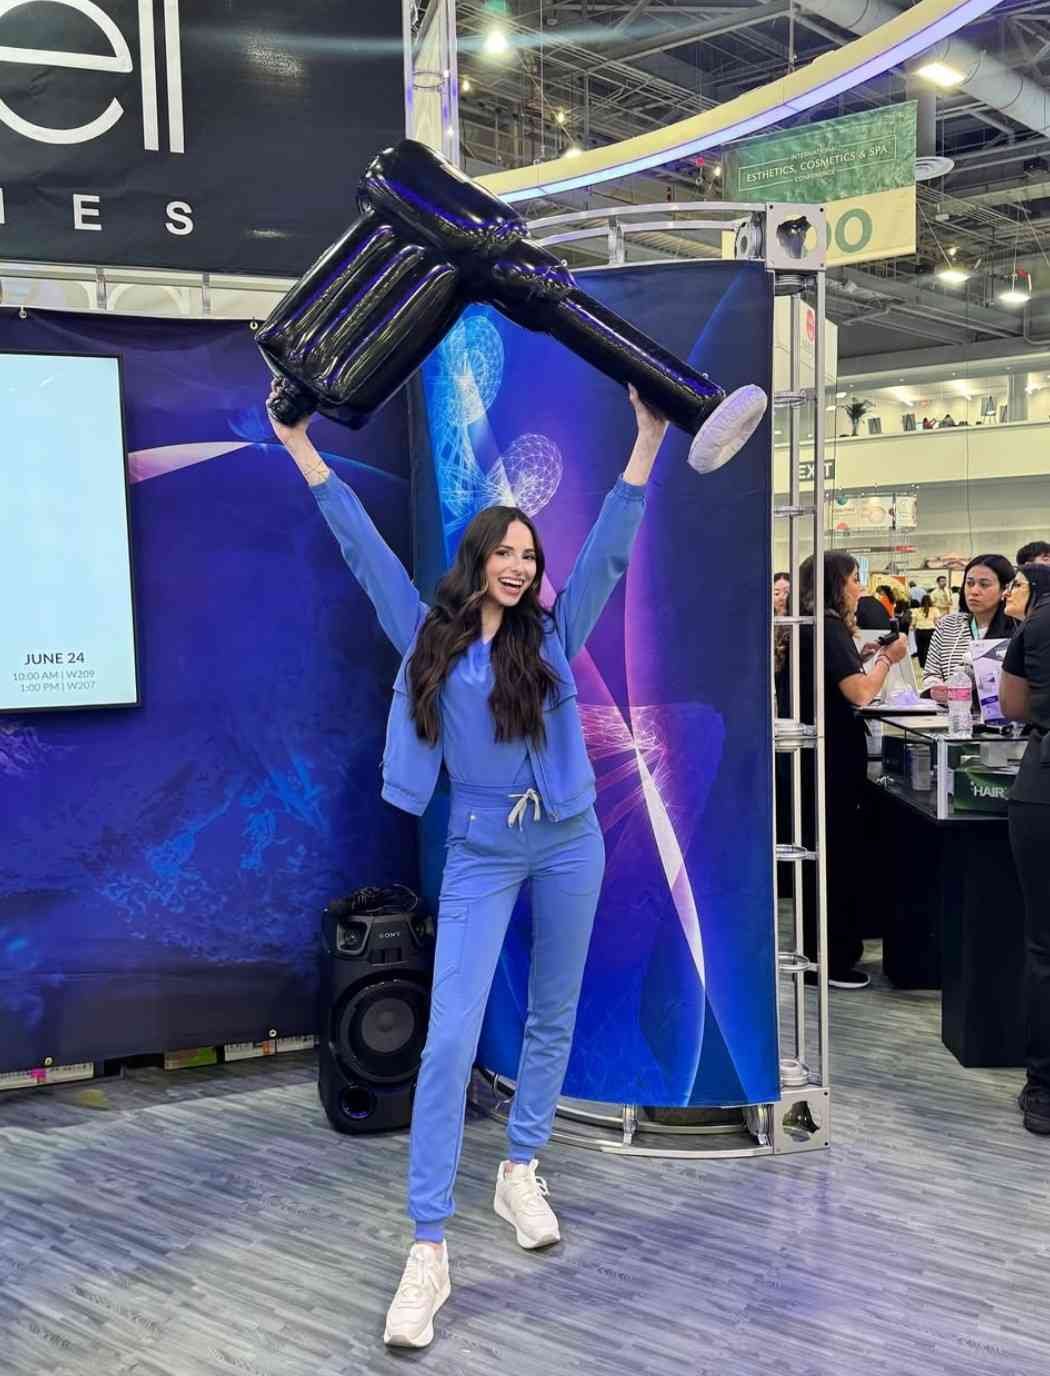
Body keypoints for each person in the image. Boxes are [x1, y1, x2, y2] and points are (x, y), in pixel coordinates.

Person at [269, 380, 677, 1348]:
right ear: (479, 558)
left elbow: (611, 550)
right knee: (449, 1040)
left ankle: (520, 1166)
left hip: (570, 836)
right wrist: (299, 446)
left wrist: (648, 440)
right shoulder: (430, 638)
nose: (520, 566)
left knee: (552, 1012)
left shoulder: (553, 636)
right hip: (483, 847)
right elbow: (361, 547)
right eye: (507, 551)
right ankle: (428, 1247)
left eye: (530, 555)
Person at [798, 552, 909, 989]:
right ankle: (833, 957)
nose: (859, 588)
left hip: (819, 758)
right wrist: (887, 659)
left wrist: (861, 655)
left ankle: (823, 952)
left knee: (826, 854)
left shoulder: (811, 626)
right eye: (854, 579)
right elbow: (860, 693)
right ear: (836, 584)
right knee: (837, 856)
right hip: (835, 758)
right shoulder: (828, 629)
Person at [999, 572, 1050, 1136]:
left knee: (1046, 945)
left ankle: (1044, 1089)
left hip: (1044, 786)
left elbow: (1013, 704)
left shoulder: (1036, 627)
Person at [921, 554, 1016, 701]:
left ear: (1005, 589)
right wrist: (936, 689)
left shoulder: (1018, 628)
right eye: (969, 583)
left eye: (984, 584)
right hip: (951, 710)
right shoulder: (948, 625)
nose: (974, 591)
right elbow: (931, 673)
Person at [912, 594, 941, 668]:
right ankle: (928, 664)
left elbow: (913, 623)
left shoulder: (917, 610)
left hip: (919, 631)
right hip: (930, 631)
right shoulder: (935, 610)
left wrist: (914, 628)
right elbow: (937, 622)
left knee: (920, 649)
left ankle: (922, 664)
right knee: (928, 649)